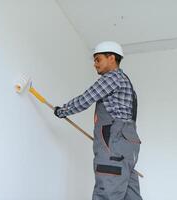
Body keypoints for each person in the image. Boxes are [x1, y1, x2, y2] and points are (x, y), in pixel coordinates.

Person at [54, 41, 142, 200]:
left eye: (98, 59)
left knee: (107, 193)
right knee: (131, 196)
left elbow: (85, 99)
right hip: (129, 149)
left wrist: (61, 111)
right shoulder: (126, 82)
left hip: (113, 146)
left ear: (112, 58)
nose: (95, 64)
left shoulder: (112, 78)